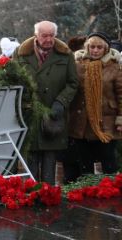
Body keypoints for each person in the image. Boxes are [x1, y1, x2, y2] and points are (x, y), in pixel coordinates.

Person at [12, 21, 78, 185]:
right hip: (28, 115)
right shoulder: (20, 53)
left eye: (52, 35)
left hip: (53, 116)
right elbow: (12, 80)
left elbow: (73, 83)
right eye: (44, 36)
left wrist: (61, 103)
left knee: (50, 161)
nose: (49, 39)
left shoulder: (65, 54)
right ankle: (31, 197)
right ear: (36, 36)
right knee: (30, 160)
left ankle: (48, 198)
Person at [65, 32, 122, 183]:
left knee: (108, 162)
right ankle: (87, 191)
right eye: (92, 47)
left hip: (106, 124)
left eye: (99, 47)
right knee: (85, 164)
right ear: (87, 48)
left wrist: (120, 119)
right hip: (81, 123)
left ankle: (113, 193)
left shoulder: (115, 68)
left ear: (106, 49)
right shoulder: (77, 66)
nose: (95, 50)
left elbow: (121, 95)